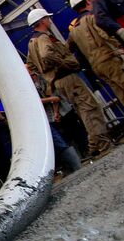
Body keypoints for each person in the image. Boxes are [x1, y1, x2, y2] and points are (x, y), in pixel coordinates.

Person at [24, 8, 115, 157]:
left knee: (83, 110)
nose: (49, 20)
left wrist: (47, 74)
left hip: (58, 82)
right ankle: (103, 144)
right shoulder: (43, 38)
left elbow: (31, 65)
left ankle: (93, 144)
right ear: (42, 21)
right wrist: (64, 63)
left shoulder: (32, 42)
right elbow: (47, 55)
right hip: (66, 77)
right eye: (47, 18)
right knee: (91, 108)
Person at [67, 0, 124, 135]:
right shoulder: (94, 18)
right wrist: (119, 45)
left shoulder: (74, 30)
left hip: (97, 65)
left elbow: (69, 49)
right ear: (88, 1)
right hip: (111, 57)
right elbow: (105, 35)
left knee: (122, 92)